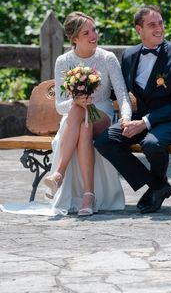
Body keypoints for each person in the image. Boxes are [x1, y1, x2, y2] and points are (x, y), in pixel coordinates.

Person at [95, 6, 171, 214]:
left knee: (152, 143)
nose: (159, 28)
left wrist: (144, 122)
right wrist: (91, 88)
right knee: (105, 141)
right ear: (138, 29)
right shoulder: (130, 55)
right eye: (152, 25)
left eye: (160, 23)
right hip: (142, 119)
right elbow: (119, 91)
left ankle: (156, 187)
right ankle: (157, 185)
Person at [44, 11, 131, 215]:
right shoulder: (63, 61)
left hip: (103, 114)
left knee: (83, 115)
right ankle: (88, 195)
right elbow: (59, 105)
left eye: (93, 30)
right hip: (77, 119)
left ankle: (58, 173)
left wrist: (126, 117)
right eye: (86, 33)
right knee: (80, 115)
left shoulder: (107, 58)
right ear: (74, 39)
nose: (94, 35)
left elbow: (123, 96)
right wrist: (76, 101)